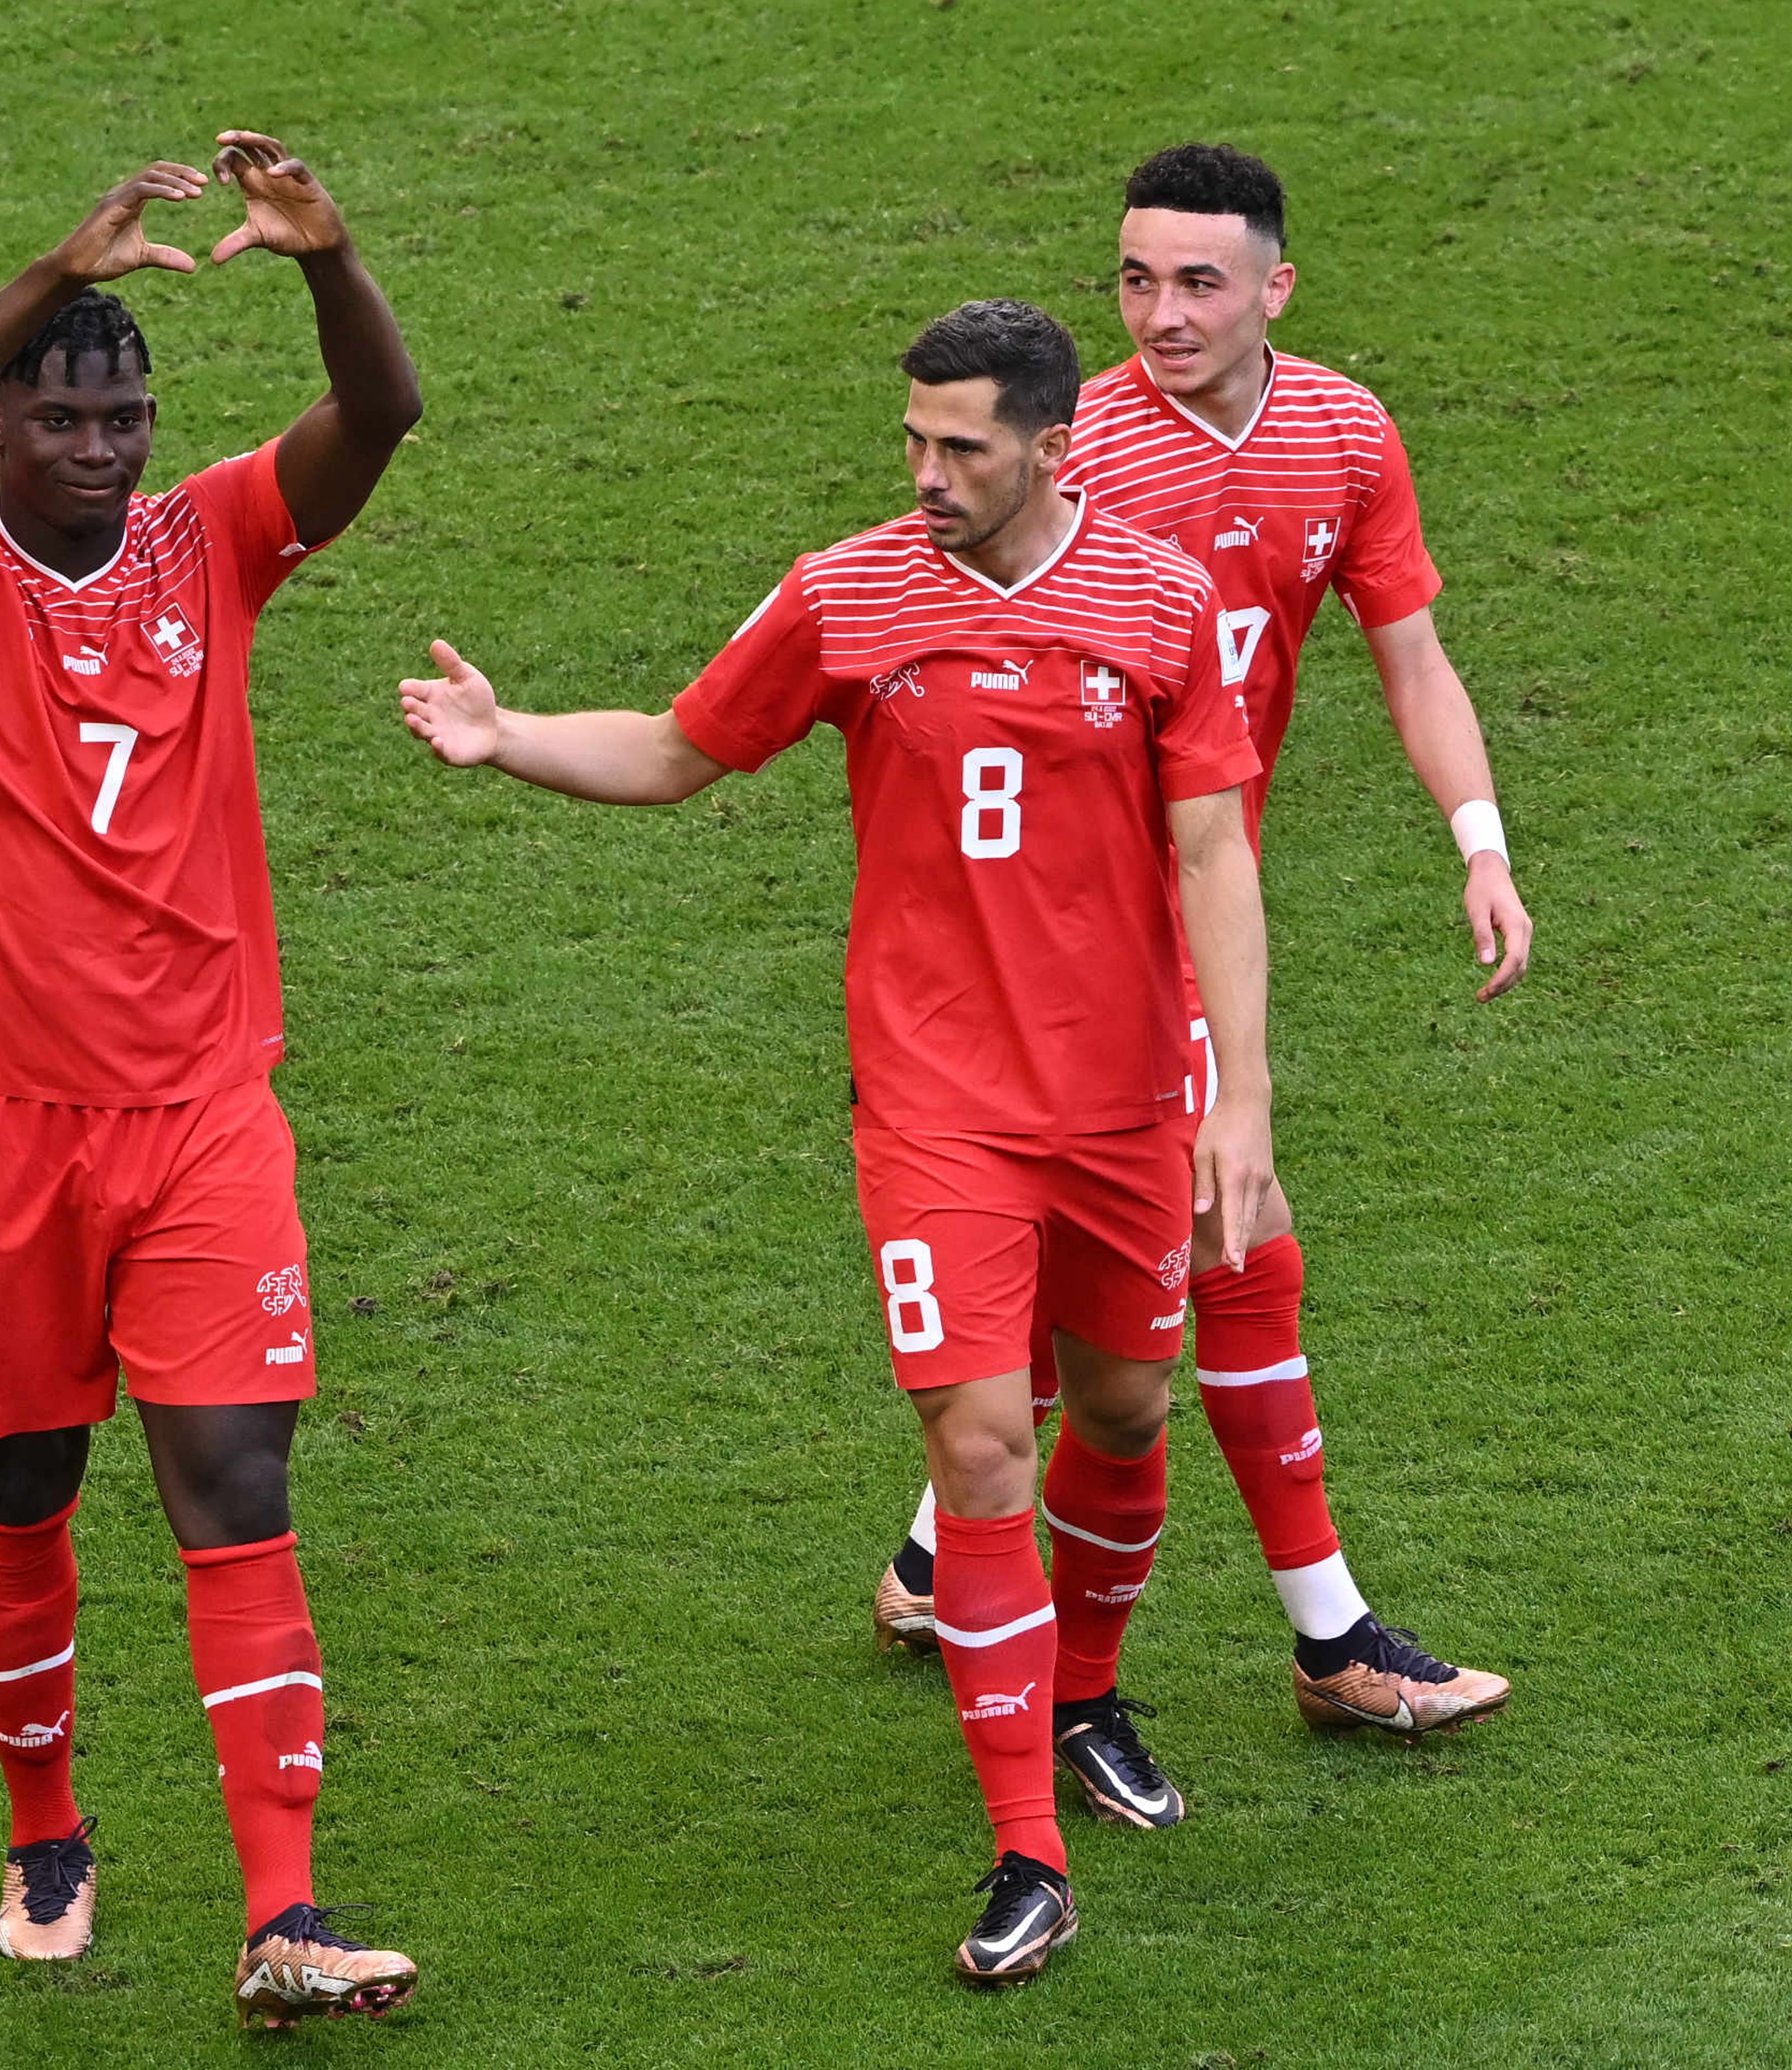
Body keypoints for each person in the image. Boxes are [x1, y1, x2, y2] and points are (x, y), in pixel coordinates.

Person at [396, 301, 1274, 1987]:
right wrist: (509, 741)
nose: (928, 476)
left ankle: (1086, 1693)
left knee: (1122, 1407)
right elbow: (676, 747)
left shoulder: (1162, 604)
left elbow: (1216, 852)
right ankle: (1025, 1851)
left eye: (963, 449)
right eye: (913, 444)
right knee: (980, 1453)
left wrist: (1238, 1099)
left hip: (1119, 1113)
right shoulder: (847, 594)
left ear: (1052, 446)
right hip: (939, 1111)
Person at [0, 134, 423, 2027]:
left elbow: (381, 411)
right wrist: (43, 265)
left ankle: (286, 1917)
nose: (111, 444)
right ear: (4, 418)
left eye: (133, 413)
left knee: (237, 1486)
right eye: (71, 414)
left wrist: (329, 261)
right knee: (23, 1491)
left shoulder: (216, 539)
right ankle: (46, 1829)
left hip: (201, 1119)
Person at [870, 144, 1522, 1812]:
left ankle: (948, 1559)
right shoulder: (1068, 461)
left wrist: (1481, 837)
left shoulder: (1344, 435)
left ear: (1276, 291)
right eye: (1137, 282)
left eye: (1199, 282)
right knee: (1233, 1250)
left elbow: (1412, 649)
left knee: (1172, 1274)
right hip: (1076, 940)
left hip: (1185, 909)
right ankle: (1325, 1643)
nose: (1162, 315)